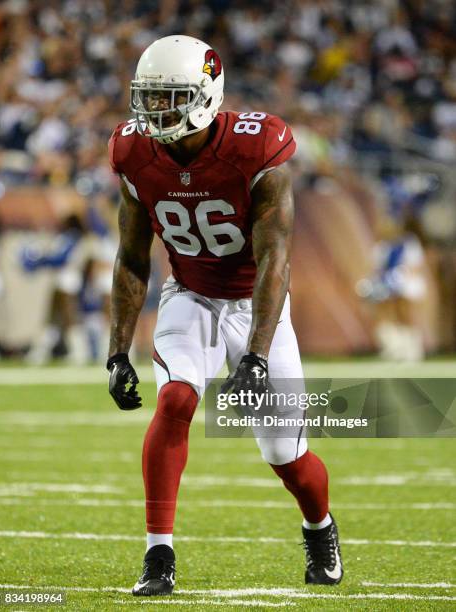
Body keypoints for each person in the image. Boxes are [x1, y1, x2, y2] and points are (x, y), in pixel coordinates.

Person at [107, 34, 343, 597]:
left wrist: (258, 354)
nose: (155, 111)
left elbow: (275, 263)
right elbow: (132, 255)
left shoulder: (257, 146)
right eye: (149, 97)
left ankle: (320, 528)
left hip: (257, 303)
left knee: (286, 454)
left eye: (171, 97)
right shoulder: (133, 152)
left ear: (207, 94)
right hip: (189, 292)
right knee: (177, 400)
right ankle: (158, 557)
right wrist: (117, 351)